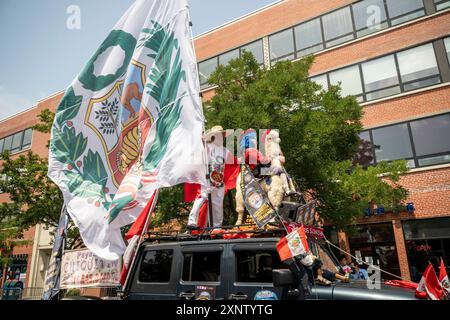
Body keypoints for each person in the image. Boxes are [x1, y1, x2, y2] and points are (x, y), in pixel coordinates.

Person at [187, 126, 234, 229]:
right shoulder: (208, 147)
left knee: (218, 204)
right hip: (208, 179)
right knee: (202, 197)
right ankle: (191, 221)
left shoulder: (225, 151)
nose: (221, 138)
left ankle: (217, 228)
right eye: (219, 135)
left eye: (222, 136)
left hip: (219, 181)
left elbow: (234, 161)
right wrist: (200, 140)